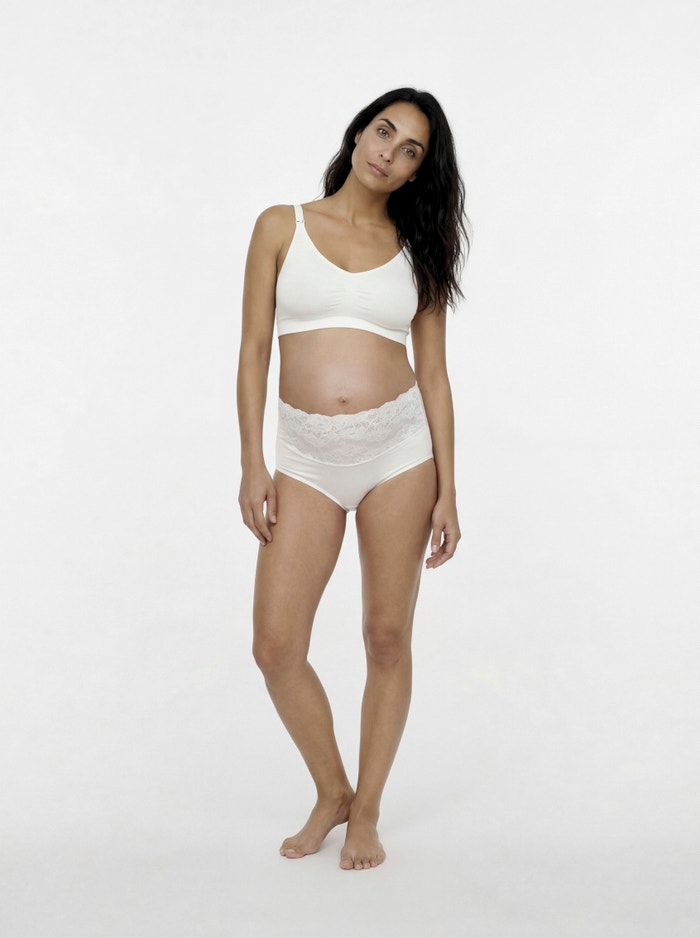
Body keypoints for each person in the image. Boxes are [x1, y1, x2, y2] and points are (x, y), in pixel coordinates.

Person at [237, 87, 470, 871]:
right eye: (383, 132)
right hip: (304, 459)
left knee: (386, 636)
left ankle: (366, 810)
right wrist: (252, 461)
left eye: (410, 151)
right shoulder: (281, 226)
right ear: (360, 131)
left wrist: (449, 487)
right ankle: (332, 789)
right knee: (276, 645)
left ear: (417, 172)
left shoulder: (418, 250)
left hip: (398, 453)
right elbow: (254, 351)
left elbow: (434, 374)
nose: (388, 153)